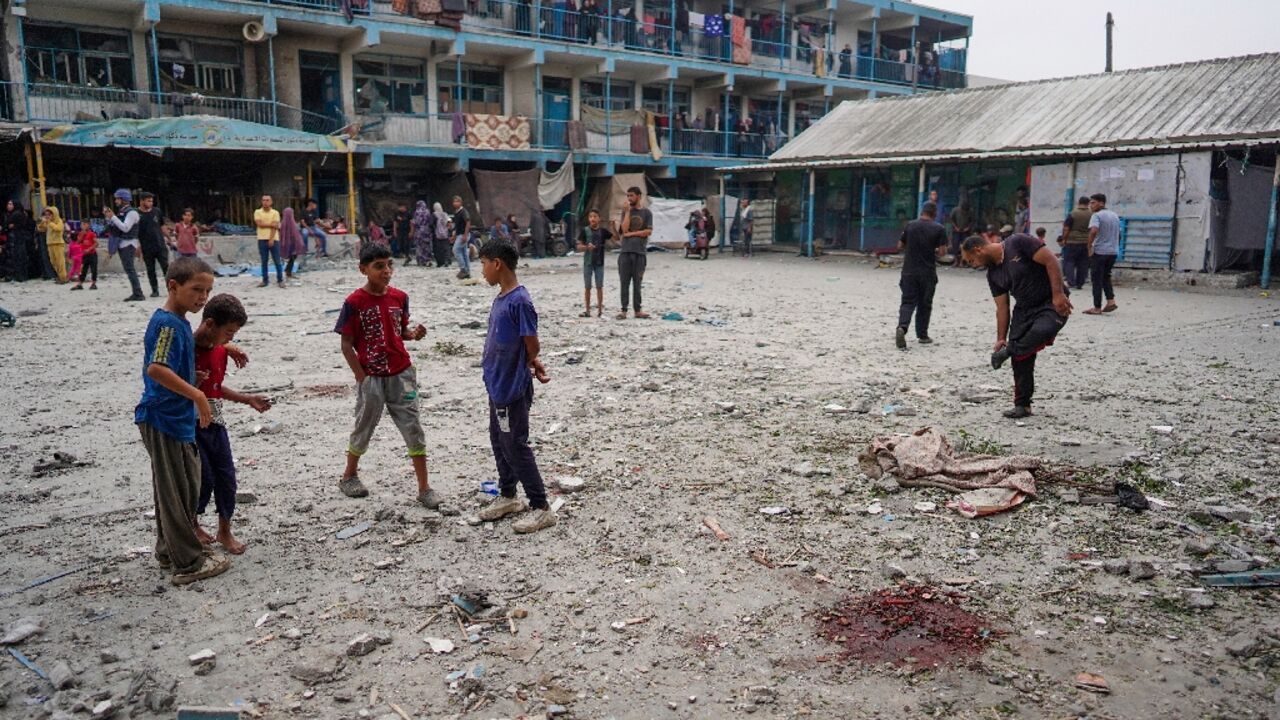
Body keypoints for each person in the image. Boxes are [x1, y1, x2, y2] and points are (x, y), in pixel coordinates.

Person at [135, 255, 232, 585]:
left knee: (180, 486)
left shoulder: (180, 323)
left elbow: (173, 365)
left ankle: (169, 549)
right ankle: (188, 563)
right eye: (196, 290)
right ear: (173, 286)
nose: (202, 298)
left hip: (176, 418)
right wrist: (197, 394)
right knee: (177, 490)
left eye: (207, 291)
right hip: (163, 418)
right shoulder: (166, 324)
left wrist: (194, 376)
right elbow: (156, 369)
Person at [334, 242, 437, 507]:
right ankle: (349, 475)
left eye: (389, 265)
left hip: (401, 373)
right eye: (379, 266)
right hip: (371, 377)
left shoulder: (399, 298)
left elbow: (400, 331)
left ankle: (424, 488)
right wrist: (361, 376)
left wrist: (413, 334)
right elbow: (346, 345)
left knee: (413, 427)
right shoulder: (354, 302)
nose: (386, 271)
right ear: (363, 269)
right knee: (364, 425)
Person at [474, 240, 556, 534]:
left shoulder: (520, 300)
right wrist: (531, 361)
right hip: (497, 384)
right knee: (499, 440)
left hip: (511, 387)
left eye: (483, 263)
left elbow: (531, 342)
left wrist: (531, 361)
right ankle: (508, 496)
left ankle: (541, 506)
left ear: (497, 263)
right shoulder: (501, 298)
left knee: (515, 444)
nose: (481, 271)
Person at [961, 232, 1072, 420]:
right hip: (1024, 309)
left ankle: (1010, 351)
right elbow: (1002, 307)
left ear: (978, 250)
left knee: (1041, 331)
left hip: (1050, 303)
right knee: (1021, 358)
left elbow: (1052, 261)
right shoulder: (993, 274)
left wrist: (1058, 294)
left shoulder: (1018, 242)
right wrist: (1001, 339)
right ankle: (1022, 405)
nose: (974, 266)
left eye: (971, 261)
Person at [191, 294, 270, 555]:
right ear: (210, 324)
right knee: (202, 479)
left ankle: (224, 530)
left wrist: (247, 399)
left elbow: (216, 388)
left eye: (234, 334)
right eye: (228, 333)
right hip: (190, 424)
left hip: (215, 422)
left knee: (226, 478)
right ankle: (192, 523)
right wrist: (192, 384)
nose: (230, 339)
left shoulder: (220, 351)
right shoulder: (186, 350)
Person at [895, 201, 948, 350]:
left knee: (907, 302)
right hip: (927, 272)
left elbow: (899, 246)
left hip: (909, 271)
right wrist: (934, 250)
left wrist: (911, 246)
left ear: (921, 212)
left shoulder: (910, 225)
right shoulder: (939, 229)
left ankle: (902, 327)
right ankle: (922, 335)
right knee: (925, 304)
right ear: (935, 213)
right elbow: (943, 253)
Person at [616, 186, 652, 319]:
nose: (629, 198)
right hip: (625, 252)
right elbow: (624, 231)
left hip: (640, 253)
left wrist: (633, 233)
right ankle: (624, 310)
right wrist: (627, 213)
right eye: (628, 196)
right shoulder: (626, 212)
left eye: (632, 195)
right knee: (624, 282)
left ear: (639, 196)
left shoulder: (647, 213)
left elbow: (648, 232)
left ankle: (638, 309)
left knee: (637, 283)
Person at [104, 189, 146, 301]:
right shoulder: (123, 211)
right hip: (123, 243)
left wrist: (113, 217)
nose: (116, 201)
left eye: (118, 198)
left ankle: (138, 293)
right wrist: (109, 219)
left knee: (130, 269)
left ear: (124, 199)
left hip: (128, 243)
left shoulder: (132, 212)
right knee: (129, 269)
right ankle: (137, 293)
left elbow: (125, 228)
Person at [1085, 193, 1121, 315]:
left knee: (1096, 279)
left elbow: (1094, 230)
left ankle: (1097, 307)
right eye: (1090, 203)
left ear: (1101, 203)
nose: (1091, 205)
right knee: (1106, 276)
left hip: (1100, 251)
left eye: (1093, 202)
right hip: (1113, 251)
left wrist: (1089, 246)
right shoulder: (1114, 215)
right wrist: (1115, 245)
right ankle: (1111, 301)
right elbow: (1119, 234)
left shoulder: (1097, 216)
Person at [136, 192, 171, 298]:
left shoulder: (157, 211)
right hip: (146, 246)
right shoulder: (136, 214)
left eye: (151, 201)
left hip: (160, 245)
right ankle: (154, 290)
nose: (151, 203)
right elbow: (134, 231)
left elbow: (162, 226)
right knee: (150, 270)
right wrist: (137, 246)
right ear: (142, 201)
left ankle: (171, 289)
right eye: (148, 201)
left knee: (166, 268)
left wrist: (169, 238)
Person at [578, 208, 608, 317]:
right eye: (590, 217)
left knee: (599, 286)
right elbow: (578, 246)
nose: (592, 219)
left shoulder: (603, 231)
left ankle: (600, 310)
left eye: (595, 216)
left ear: (599, 218)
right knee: (587, 287)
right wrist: (587, 247)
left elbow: (616, 237)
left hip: (599, 262)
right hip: (588, 263)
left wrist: (613, 226)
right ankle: (587, 310)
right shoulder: (585, 231)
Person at [1059, 196, 1092, 290]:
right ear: (1088, 203)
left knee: (1069, 261)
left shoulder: (1073, 214)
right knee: (1083, 263)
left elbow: (1066, 228)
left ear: (1079, 202)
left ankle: (1071, 282)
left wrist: (1064, 239)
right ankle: (1080, 283)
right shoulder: (1092, 214)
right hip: (1086, 242)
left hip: (1072, 241)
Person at [254, 195, 284, 289]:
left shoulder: (275, 213)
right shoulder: (257, 212)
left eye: (267, 200)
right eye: (263, 200)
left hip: (274, 239)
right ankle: (265, 280)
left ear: (271, 202)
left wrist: (271, 239)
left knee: (277, 261)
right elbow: (259, 224)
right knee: (264, 261)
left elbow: (275, 227)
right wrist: (271, 224)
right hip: (261, 239)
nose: (265, 202)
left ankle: (280, 280)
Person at [3, 200, 33, 282]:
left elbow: (6, 224)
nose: (8, 206)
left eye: (10, 204)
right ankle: (21, 276)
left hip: (17, 239)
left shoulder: (16, 214)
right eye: (8, 204)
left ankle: (18, 277)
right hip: (19, 239)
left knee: (17, 258)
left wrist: (10, 226)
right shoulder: (21, 213)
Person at [37, 206, 68, 283]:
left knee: (60, 262)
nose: (47, 216)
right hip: (50, 244)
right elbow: (41, 229)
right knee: (53, 262)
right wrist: (42, 222)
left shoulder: (59, 221)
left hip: (58, 244)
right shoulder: (48, 222)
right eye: (46, 214)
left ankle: (63, 278)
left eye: (49, 214)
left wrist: (50, 223)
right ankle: (59, 276)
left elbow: (58, 229)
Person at [279, 207, 306, 279]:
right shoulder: (292, 222)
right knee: (293, 257)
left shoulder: (283, 223)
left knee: (292, 257)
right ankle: (288, 272)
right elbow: (295, 234)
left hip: (286, 243)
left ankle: (288, 270)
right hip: (293, 243)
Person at [71, 222, 98, 290]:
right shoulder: (80, 233)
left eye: (85, 224)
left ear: (88, 225)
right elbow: (77, 242)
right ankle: (80, 284)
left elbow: (96, 243)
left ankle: (93, 283)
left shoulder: (92, 233)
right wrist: (82, 235)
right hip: (84, 255)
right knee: (82, 270)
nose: (83, 226)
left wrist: (89, 249)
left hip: (92, 254)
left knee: (93, 269)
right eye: (82, 224)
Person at [450, 195, 472, 279]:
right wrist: (454, 236)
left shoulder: (463, 211)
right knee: (464, 253)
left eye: (457, 201)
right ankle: (467, 271)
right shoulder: (457, 212)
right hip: (460, 234)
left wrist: (465, 235)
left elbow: (468, 222)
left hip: (463, 234)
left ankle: (463, 269)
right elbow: (457, 226)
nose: (455, 203)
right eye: (454, 201)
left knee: (455, 250)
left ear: (460, 202)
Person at [947, 199, 973, 266]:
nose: (964, 212)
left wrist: (968, 228)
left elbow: (972, 221)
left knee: (965, 246)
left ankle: (962, 261)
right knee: (955, 245)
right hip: (956, 231)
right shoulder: (955, 210)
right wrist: (955, 227)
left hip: (965, 231)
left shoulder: (970, 211)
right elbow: (951, 219)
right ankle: (956, 261)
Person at [411, 200, 435, 267]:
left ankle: (421, 261)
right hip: (427, 230)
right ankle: (428, 260)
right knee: (427, 246)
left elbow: (415, 222)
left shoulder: (417, 212)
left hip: (419, 231)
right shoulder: (428, 211)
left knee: (419, 246)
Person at [432, 202, 452, 267]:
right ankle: (447, 260)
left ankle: (440, 262)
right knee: (446, 248)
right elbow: (449, 222)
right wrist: (447, 229)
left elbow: (431, 224)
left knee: (438, 249)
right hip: (445, 234)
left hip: (437, 234)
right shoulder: (445, 214)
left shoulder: (434, 215)